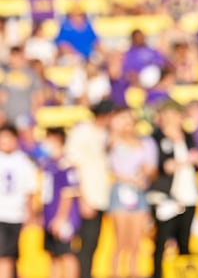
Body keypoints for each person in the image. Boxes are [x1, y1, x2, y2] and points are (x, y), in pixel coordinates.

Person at [150, 99, 198, 278]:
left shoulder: (187, 136)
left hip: (188, 194)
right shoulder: (157, 137)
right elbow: (164, 166)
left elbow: (196, 163)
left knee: (184, 241)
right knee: (162, 241)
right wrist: (187, 160)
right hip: (167, 196)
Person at [66, 100, 114, 278]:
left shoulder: (106, 135)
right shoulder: (82, 132)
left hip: (101, 197)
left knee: (93, 243)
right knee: (83, 245)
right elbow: (72, 167)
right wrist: (82, 198)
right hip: (86, 197)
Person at [107, 107, 157, 278]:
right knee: (121, 241)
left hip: (139, 192)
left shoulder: (146, 143)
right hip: (122, 190)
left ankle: (133, 272)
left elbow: (151, 169)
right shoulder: (115, 141)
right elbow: (114, 170)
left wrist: (144, 173)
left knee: (136, 242)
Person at [41, 127, 81, 278]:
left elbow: (68, 194)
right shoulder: (48, 164)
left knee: (67, 254)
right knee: (54, 254)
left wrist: (61, 218)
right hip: (49, 217)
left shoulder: (65, 164)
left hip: (64, 219)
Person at [0, 123, 37, 278]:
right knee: (4, 256)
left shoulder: (23, 161)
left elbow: (30, 191)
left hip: (15, 215)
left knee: (9, 255)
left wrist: (30, 212)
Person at [1, 46, 42, 123]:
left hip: (25, 115)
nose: (13, 59)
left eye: (16, 56)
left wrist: (33, 114)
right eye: (12, 56)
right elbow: (2, 95)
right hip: (7, 116)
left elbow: (37, 96)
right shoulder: (5, 74)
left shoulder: (31, 74)